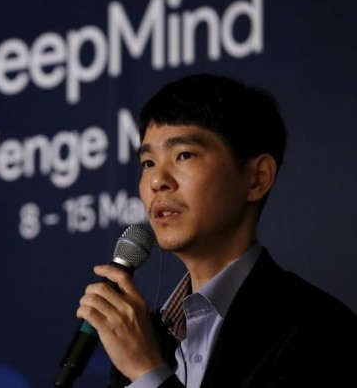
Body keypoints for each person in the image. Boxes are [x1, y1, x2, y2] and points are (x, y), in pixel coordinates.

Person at [76, 73, 357, 388]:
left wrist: (148, 372)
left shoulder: (317, 328)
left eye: (183, 155)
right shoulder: (148, 336)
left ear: (257, 178)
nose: (157, 181)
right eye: (148, 163)